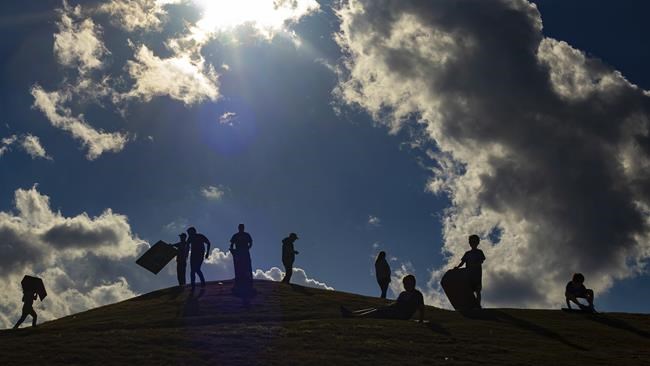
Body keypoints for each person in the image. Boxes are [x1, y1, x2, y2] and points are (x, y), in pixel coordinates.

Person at [340, 274, 425, 323]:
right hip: (394, 311)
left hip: (401, 316)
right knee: (377, 309)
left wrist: (420, 321)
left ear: (413, 283)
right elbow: (397, 303)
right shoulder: (403, 294)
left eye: (407, 283)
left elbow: (421, 308)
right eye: (404, 283)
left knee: (378, 311)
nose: (405, 285)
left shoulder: (417, 295)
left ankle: (355, 317)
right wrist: (388, 306)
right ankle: (353, 313)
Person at [455, 234, 486, 308]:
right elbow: (462, 262)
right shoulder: (467, 253)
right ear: (469, 243)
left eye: (475, 242)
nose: (473, 244)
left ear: (478, 243)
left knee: (477, 291)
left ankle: (478, 305)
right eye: (471, 242)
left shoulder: (479, 252)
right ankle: (470, 306)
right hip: (468, 275)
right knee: (469, 291)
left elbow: (481, 260)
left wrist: (475, 264)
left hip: (477, 275)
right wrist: (458, 267)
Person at [230, 224, 253, 291]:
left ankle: (248, 278)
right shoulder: (235, 235)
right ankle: (239, 279)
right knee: (238, 265)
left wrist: (248, 247)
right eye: (240, 227)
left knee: (247, 265)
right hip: (238, 251)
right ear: (238, 228)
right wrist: (232, 250)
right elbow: (231, 243)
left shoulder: (246, 235)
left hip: (245, 251)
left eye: (242, 227)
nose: (241, 229)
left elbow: (251, 242)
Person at [187, 227, 211, 291]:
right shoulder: (190, 238)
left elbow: (208, 243)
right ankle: (193, 285)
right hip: (193, 255)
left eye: (190, 233)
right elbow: (186, 244)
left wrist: (207, 253)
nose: (189, 234)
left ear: (194, 231)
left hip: (200, 254)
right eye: (188, 233)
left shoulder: (200, 236)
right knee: (192, 270)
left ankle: (202, 283)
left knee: (197, 269)